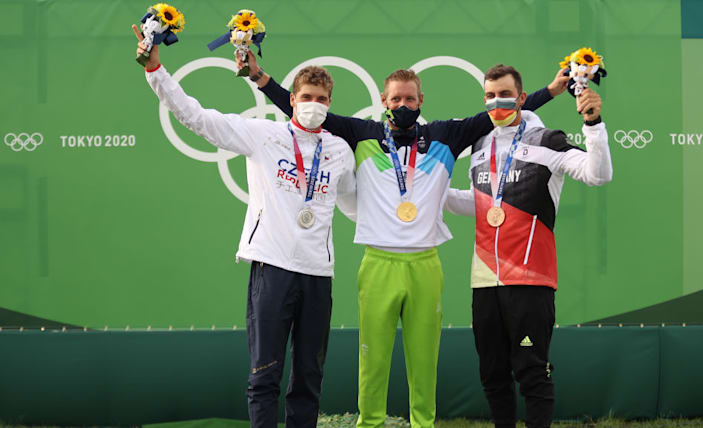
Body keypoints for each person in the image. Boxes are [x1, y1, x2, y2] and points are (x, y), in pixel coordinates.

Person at [240, 51, 568, 428]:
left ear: (421, 100)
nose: (403, 105)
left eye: (410, 99)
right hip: (377, 265)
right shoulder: (362, 133)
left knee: (424, 362)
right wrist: (261, 79)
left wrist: (551, 90)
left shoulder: (445, 135)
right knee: (373, 361)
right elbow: (304, 110)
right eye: (395, 99)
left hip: (425, 265)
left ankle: (422, 424)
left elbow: (502, 111)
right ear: (384, 100)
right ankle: (370, 423)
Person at [131, 25, 357, 428]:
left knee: (309, 377)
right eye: (306, 97)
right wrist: (155, 72)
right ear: (292, 99)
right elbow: (197, 118)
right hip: (272, 267)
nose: (314, 105)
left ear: (330, 104)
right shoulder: (263, 134)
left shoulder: (340, 150)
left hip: (318, 275)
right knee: (264, 374)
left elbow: (354, 203)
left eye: (322, 99)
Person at [444, 64, 613, 428]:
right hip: (484, 280)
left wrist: (593, 125)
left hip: (531, 279)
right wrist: (432, 193)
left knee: (532, 373)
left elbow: (598, 175)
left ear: (521, 97)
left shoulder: (547, 140)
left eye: (504, 94)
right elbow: (479, 204)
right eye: (490, 96)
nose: (497, 102)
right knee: (492, 374)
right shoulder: (480, 145)